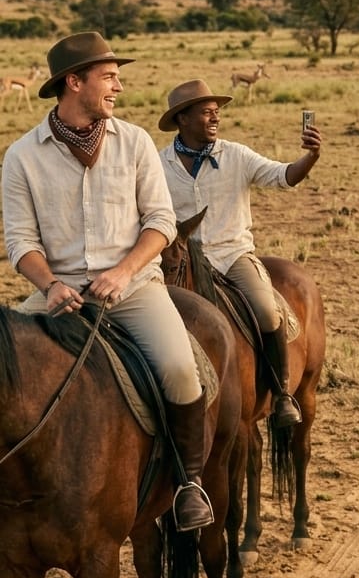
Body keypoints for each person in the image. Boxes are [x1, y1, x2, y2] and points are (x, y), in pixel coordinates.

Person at [2, 32, 214, 531]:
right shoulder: (22, 156)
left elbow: (160, 221)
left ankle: (188, 484)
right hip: (59, 295)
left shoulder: (134, 142)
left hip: (134, 290)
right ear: (74, 82)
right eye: (110, 77)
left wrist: (124, 271)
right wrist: (50, 285)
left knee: (180, 369)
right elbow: (20, 241)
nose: (118, 87)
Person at [158, 79, 322, 428]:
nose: (215, 117)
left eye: (216, 112)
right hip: (180, 260)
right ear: (183, 119)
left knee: (266, 309)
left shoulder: (236, 155)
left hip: (232, 255)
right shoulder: (159, 165)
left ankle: (281, 393)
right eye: (206, 112)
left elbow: (284, 176)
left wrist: (310, 157)